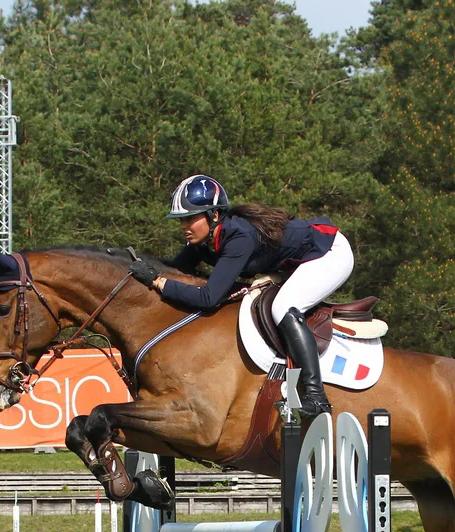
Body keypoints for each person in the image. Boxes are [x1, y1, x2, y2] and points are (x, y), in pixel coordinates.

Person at [126, 174, 350, 415]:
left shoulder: (238, 237)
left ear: (213, 215)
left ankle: (316, 395)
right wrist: (145, 270)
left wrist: (158, 282)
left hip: (329, 253)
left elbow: (208, 298)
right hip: (295, 261)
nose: (184, 227)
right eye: (181, 220)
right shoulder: (203, 240)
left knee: (283, 306)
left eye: (190, 218)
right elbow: (176, 270)